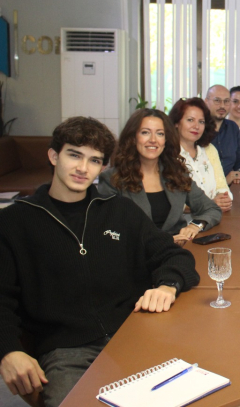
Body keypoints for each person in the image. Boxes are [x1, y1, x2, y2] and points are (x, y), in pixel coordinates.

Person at [0, 117, 199, 407]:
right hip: (67, 352)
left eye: (94, 160)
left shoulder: (119, 211)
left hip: (134, 334)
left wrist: (168, 285)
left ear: (103, 167)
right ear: (54, 156)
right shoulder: (14, 222)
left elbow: (174, 254)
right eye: (74, 155)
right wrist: (8, 351)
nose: (83, 168)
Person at [99, 109, 222, 245]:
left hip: (176, 252)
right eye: (145, 132)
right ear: (133, 138)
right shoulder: (113, 178)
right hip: (135, 254)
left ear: (166, 140)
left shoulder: (176, 173)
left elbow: (211, 209)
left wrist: (195, 226)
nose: (153, 140)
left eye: (160, 134)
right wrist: (164, 241)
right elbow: (110, 231)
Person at [169, 97, 232, 213]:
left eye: (201, 122)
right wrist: (208, 204)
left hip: (214, 215)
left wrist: (224, 199)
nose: (196, 126)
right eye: (190, 120)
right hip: (184, 221)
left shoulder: (209, 149)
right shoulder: (168, 154)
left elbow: (222, 186)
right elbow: (171, 202)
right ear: (176, 123)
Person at [205, 84, 240, 184]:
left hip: (233, 186)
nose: (222, 106)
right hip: (208, 190)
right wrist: (225, 180)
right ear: (206, 102)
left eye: (226, 101)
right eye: (217, 100)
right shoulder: (199, 129)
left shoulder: (233, 128)